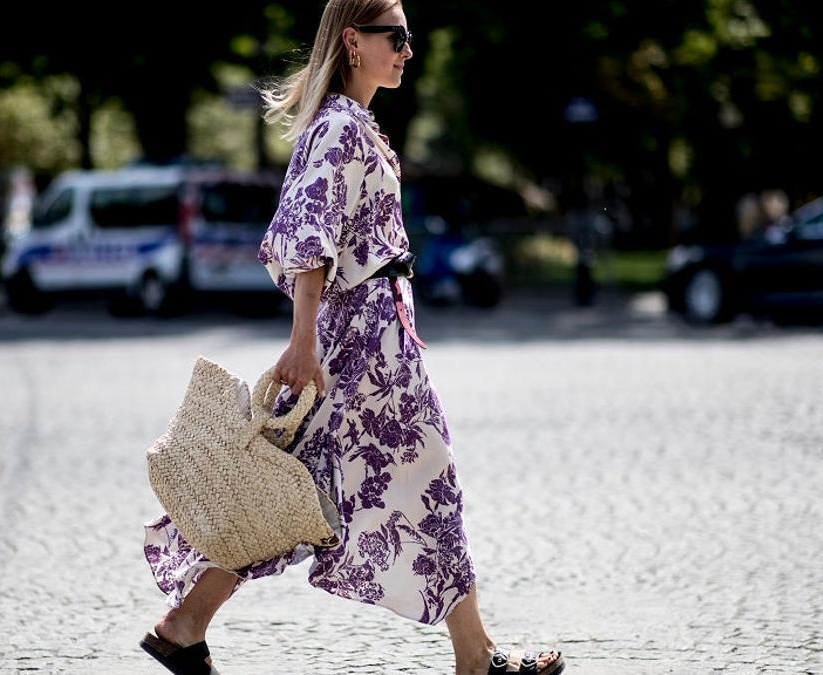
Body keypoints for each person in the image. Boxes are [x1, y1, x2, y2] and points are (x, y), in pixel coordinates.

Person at [141, 2, 565, 674]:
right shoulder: (339, 125)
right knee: (421, 477)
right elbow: (310, 236)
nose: (407, 50)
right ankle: (475, 656)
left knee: (300, 489)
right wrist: (303, 339)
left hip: (372, 331)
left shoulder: (351, 123)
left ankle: (184, 623)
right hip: (365, 342)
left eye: (409, 37)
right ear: (353, 41)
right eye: (394, 37)